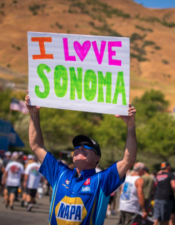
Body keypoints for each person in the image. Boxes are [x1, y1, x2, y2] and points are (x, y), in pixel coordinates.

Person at [25, 94, 137, 225]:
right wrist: (33, 114)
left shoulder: (102, 180)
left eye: (87, 146)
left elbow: (128, 160)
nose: (80, 147)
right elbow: (36, 146)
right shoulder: (59, 174)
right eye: (77, 146)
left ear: (97, 158)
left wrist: (131, 127)